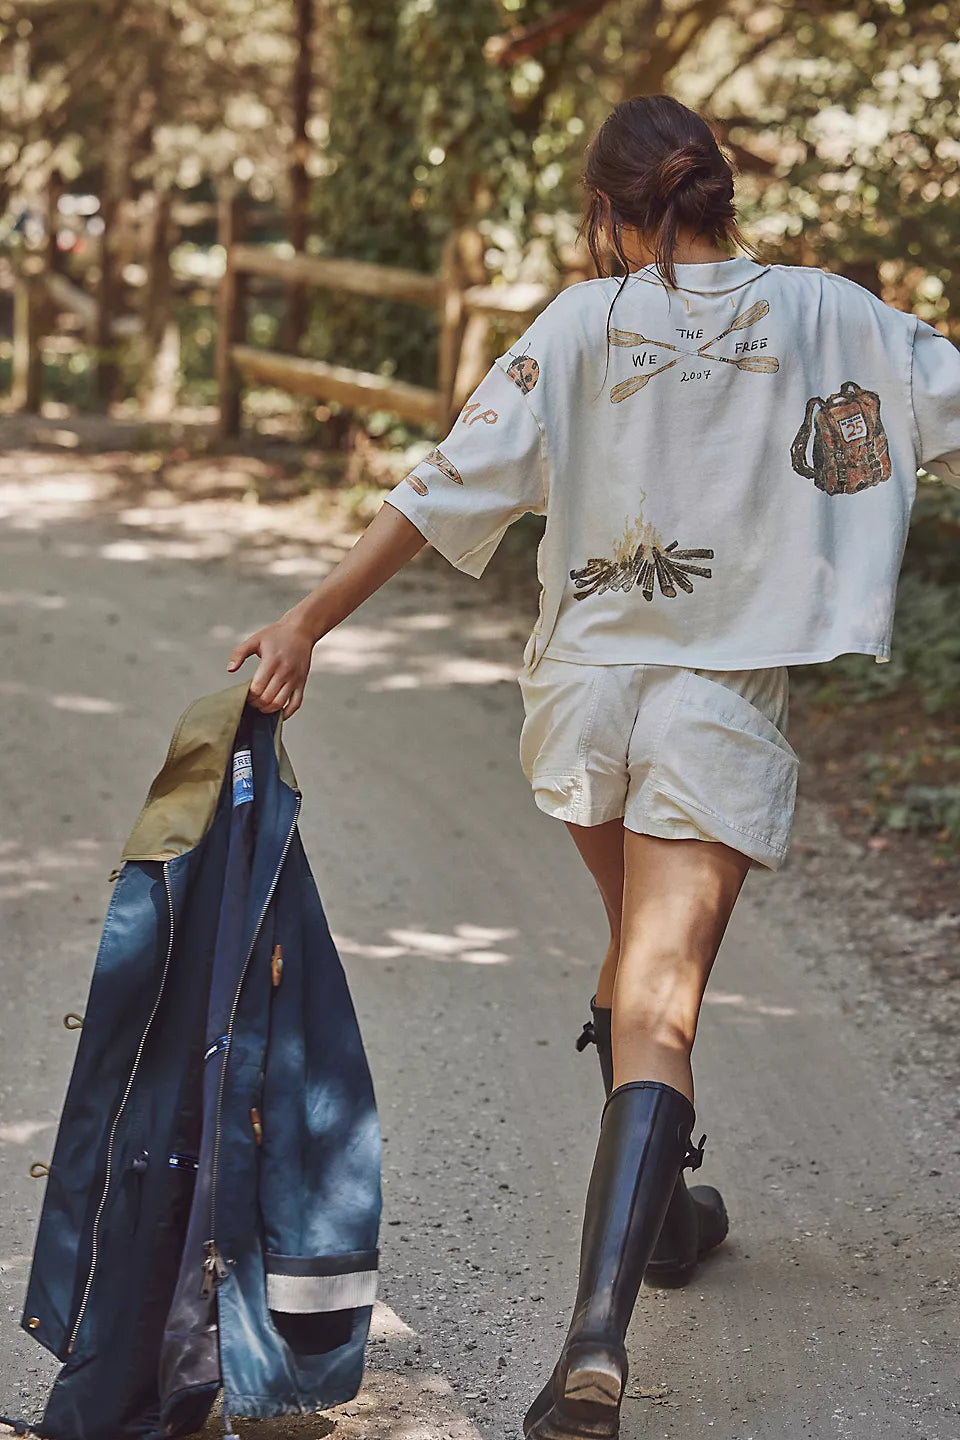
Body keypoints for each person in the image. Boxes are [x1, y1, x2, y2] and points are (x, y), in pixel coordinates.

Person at [226, 94, 960, 1440]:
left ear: (608, 212)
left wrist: (305, 622)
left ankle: (669, 1215)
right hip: (710, 703)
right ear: (719, 192)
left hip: (582, 692)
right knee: (660, 1001)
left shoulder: (575, 325)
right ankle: (594, 1345)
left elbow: (443, 485)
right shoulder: (826, 312)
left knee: (635, 962)